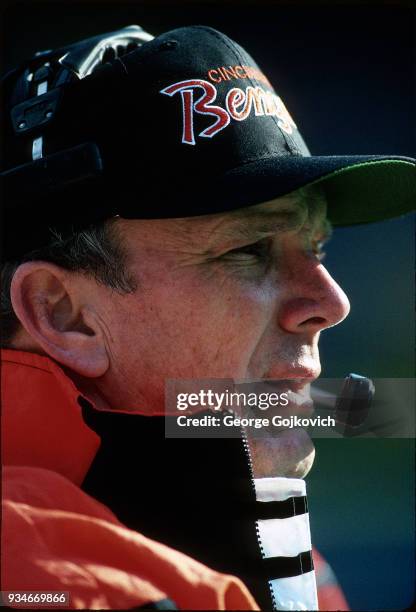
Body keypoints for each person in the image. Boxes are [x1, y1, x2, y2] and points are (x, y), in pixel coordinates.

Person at [1, 24, 414, 611]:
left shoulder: (272, 559)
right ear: (64, 315)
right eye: (248, 250)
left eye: (317, 249)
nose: (331, 303)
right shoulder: (48, 578)